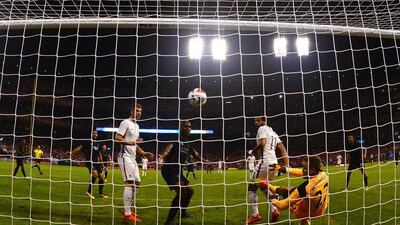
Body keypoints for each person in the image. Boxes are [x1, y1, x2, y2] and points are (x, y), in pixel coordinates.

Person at [159, 121, 208, 225]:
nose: (188, 128)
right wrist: (162, 156)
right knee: (181, 192)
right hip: (169, 170)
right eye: (186, 126)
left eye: (190, 127)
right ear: (181, 127)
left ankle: (182, 213)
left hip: (178, 171)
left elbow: (195, 154)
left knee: (190, 191)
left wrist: (204, 161)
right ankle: (169, 222)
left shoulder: (187, 143)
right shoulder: (175, 139)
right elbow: (168, 148)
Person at [246, 116, 289, 225]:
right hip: (274, 163)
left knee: (251, 187)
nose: (255, 122)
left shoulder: (262, 129)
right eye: (255, 120)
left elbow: (262, 143)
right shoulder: (274, 132)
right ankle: (274, 209)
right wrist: (286, 165)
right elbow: (283, 149)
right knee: (265, 186)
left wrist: (253, 152)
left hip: (265, 161)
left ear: (263, 121)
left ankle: (255, 215)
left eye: (257, 120)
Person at [115, 103, 153, 223]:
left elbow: (135, 144)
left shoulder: (137, 126)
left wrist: (143, 153)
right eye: (137, 110)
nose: (139, 113)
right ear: (131, 111)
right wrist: (131, 143)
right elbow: (117, 137)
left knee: (137, 184)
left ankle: (126, 208)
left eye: (140, 111)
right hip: (124, 157)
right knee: (130, 183)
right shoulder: (125, 122)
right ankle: (127, 214)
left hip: (133, 158)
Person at [266, 156, 329, 225]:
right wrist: (286, 169)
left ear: (312, 170)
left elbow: (282, 205)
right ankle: (304, 221)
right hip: (322, 208)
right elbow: (302, 173)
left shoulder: (305, 188)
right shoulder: (324, 174)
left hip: (308, 213)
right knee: (301, 196)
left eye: (305, 168)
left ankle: (268, 185)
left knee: (285, 191)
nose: (303, 170)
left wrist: (274, 200)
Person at [71, 130, 107, 199]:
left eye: (96, 133)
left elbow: (99, 155)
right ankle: (89, 192)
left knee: (101, 178)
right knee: (95, 174)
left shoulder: (98, 144)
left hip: (97, 163)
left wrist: (103, 165)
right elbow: (79, 148)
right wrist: (71, 153)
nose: (95, 134)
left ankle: (100, 194)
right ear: (91, 134)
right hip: (89, 162)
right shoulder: (87, 142)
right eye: (94, 133)